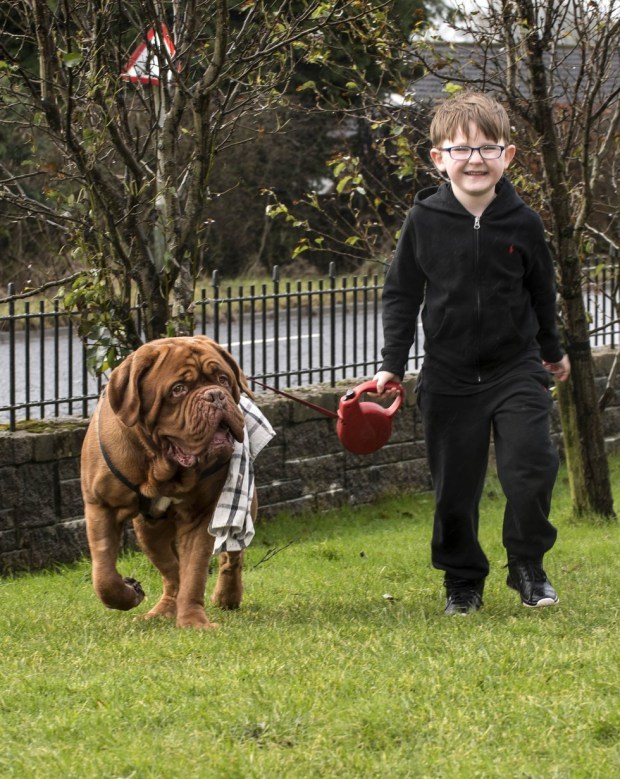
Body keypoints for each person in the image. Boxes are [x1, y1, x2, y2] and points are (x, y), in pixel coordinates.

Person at [374, 91, 571, 615]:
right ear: (439, 159)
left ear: (508, 156)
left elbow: (541, 291)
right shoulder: (424, 222)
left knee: (531, 467)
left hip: (517, 369)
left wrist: (552, 352)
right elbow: (401, 294)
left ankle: (528, 567)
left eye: (489, 148)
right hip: (449, 375)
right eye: (462, 150)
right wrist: (393, 363)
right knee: (453, 491)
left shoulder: (523, 222)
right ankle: (462, 583)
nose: (476, 159)